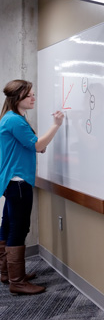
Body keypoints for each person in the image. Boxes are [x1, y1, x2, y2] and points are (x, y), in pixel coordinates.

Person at [0, 80, 65, 295]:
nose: (33, 98)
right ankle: (17, 282)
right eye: (30, 95)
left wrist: (38, 146)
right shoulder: (15, 121)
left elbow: (29, 145)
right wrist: (56, 125)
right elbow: (37, 144)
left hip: (12, 181)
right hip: (18, 183)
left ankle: (6, 272)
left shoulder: (12, 118)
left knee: (8, 226)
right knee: (18, 229)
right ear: (18, 97)